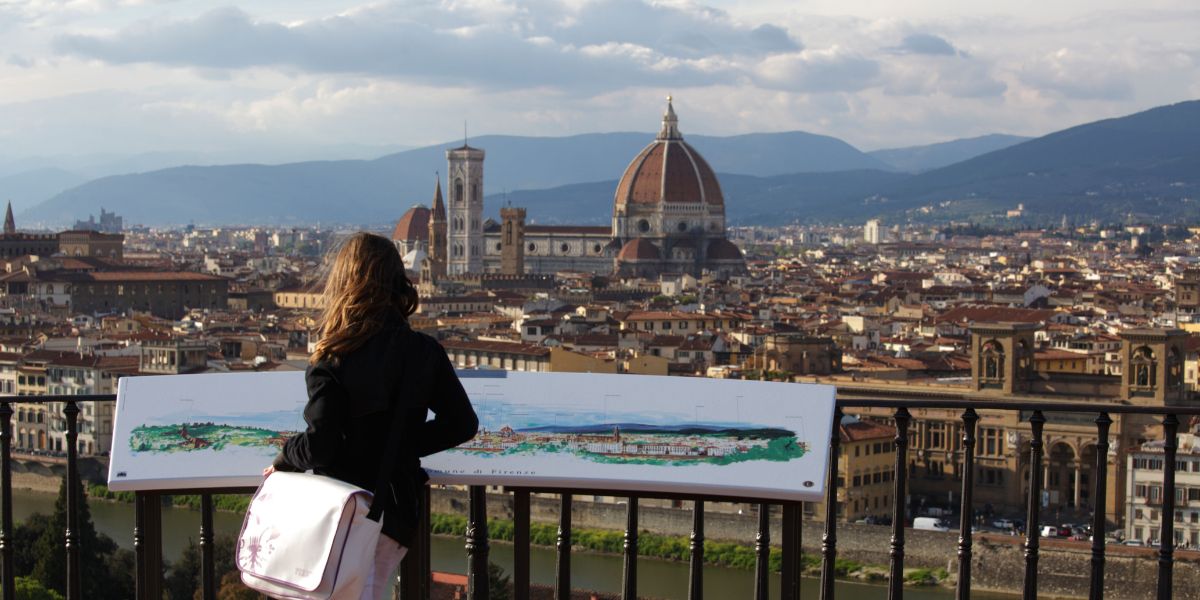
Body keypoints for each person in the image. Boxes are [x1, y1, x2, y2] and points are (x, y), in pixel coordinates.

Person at [266, 232, 478, 600]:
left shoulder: (333, 355)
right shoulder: (423, 351)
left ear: (344, 282)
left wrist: (285, 456)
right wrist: (397, 448)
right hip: (392, 509)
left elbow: (321, 443)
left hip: (338, 509)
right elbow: (462, 424)